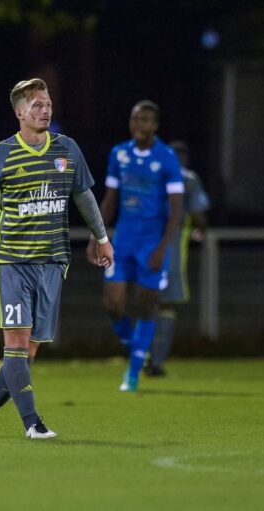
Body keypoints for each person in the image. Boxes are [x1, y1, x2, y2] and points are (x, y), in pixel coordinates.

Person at [0, 78, 113, 439]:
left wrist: (102, 239)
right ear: (19, 113)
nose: (46, 110)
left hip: (53, 263)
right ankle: (33, 423)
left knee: (25, 356)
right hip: (11, 263)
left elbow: (85, 198)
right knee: (15, 346)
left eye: (48, 104)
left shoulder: (67, 150)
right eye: (37, 105)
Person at [86, 100, 184, 392]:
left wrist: (162, 248)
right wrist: (95, 237)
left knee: (145, 305)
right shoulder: (120, 153)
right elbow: (110, 200)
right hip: (124, 240)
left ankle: (133, 370)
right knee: (113, 305)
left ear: (155, 125)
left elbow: (176, 209)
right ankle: (137, 351)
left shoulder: (166, 157)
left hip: (152, 242)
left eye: (144, 120)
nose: (138, 125)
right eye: (134, 119)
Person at [145, 140, 210, 377]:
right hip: (171, 252)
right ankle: (156, 361)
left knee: (148, 302)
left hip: (145, 247)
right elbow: (199, 214)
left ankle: (145, 355)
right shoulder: (189, 179)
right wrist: (200, 230)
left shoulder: (151, 176)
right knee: (168, 305)